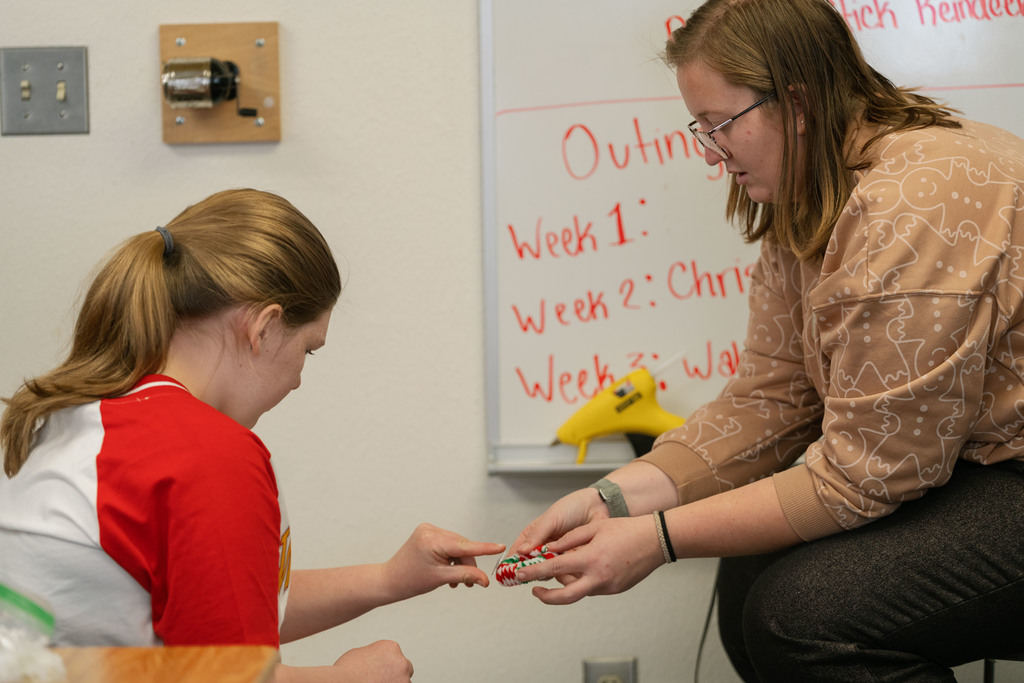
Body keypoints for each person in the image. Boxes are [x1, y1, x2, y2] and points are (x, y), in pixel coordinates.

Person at [510, 1, 1024, 680]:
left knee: (798, 615)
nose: (710, 149)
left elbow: (859, 478)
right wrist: (611, 498)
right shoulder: (811, 198)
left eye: (720, 123)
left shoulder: (918, 197)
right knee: (748, 577)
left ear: (797, 103)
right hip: (980, 469)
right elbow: (772, 397)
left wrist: (656, 540)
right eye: (698, 126)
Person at [0, 188, 505, 683]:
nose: (298, 379)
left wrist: (388, 579)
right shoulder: (206, 455)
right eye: (308, 350)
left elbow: (211, 606)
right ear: (263, 328)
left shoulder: (84, 414)